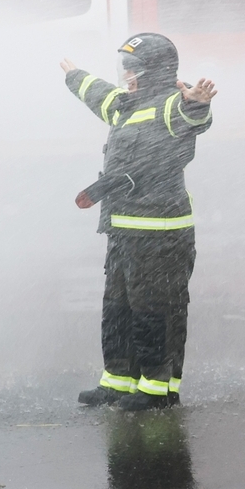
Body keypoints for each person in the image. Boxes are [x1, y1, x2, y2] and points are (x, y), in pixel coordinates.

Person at [63, 34, 216, 411]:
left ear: (153, 71)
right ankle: (118, 382)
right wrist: (74, 75)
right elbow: (98, 93)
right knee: (118, 309)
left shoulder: (170, 104)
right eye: (123, 68)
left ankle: (156, 389)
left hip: (159, 237)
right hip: (123, 231)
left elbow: (189, 116)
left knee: (155, 312)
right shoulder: (124, 106)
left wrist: (195, 103)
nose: (125, 76)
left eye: (131, 69)